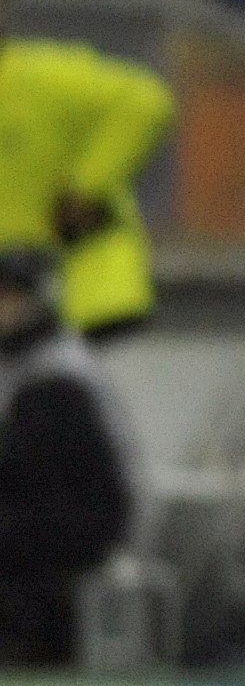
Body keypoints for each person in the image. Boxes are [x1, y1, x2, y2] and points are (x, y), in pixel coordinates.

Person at [0, 0, 175, 338]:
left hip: (83, 301)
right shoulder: (45, 74)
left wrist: (86, 188)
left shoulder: (41, 76)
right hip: (77, 302)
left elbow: (146, 101)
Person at [0, 242, 135, 663]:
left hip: (74, 529)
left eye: (11, 296)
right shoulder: (24, 363)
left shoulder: (58, 379)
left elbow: (47, 482)